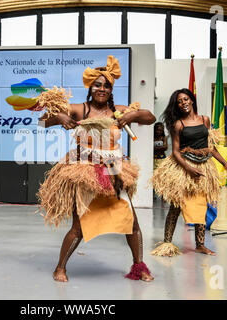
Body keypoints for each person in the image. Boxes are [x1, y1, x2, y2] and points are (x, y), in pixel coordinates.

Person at [37, 56, 156, 282]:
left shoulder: (119, 111)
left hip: (114, 172)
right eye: (98, 85)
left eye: (107, 85)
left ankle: (138, 267)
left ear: (112, 90)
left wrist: (132, 115)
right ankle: (60, 268)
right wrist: (60, 116)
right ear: (90, 87)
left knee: (131, 222)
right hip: (86, 171)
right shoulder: (79, 109)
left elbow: (149, 117)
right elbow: (42, 121)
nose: (102, 88)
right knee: (79, 226)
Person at [150, 88, 227, 257]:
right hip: (183, 167)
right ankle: (167, 243)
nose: (183, 103)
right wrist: (188, 168)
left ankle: (200, 244)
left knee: (201, 205)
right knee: (176, 207)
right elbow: (175, 151)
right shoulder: (178, 124)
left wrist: (225, 163)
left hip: (203, 167)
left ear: (192, 100)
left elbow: (210, 148)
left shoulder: (204, 119)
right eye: (180, 101)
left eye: (186, 99)